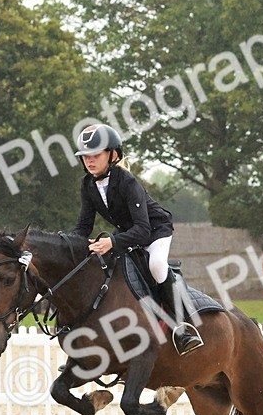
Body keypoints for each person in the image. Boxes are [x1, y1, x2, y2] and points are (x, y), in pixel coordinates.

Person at [72, 123, 203, 355]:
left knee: (156, 265)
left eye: (95, 155)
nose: (89, 161)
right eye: (85, 157)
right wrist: (68, 246)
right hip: (126, 233)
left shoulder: (127, 182)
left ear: (112, 154)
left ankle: (184, 327)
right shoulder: (88, 185)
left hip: (155, 231)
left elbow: (143, 229)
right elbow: (84, 226)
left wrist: (112, 242)